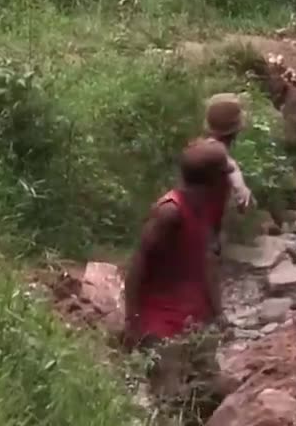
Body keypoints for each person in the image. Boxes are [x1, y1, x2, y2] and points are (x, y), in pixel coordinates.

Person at [123, 138, 236, 419]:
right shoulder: (170, 213)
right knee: (171, 404)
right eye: (225, 175)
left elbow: (207, 262)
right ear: (213, 180)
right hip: (159, 323)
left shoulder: (206, 207)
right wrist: (132, 322)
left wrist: (219, 314)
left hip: (191, 320)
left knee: (211, 396)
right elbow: (137, 267)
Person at [202, 93, 254, 321]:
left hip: (198, 219)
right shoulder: (218, 153)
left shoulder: (206, 148)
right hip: (201, 222)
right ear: (236, 130)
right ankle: (218, 317)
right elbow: (231, 169)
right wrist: (242, 190)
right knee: (209, 264)